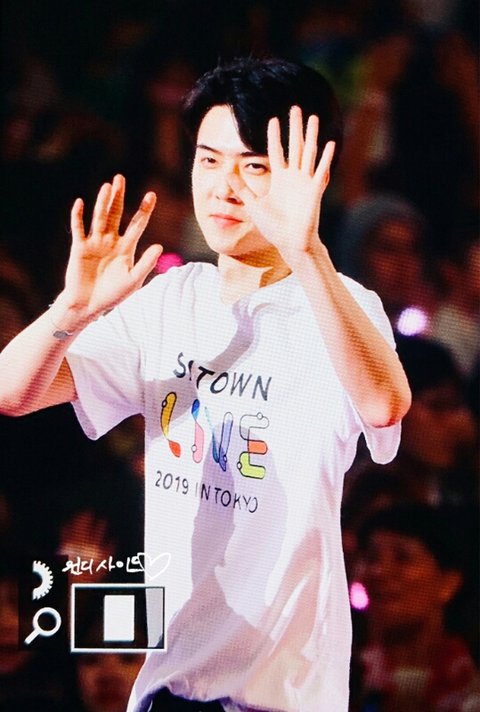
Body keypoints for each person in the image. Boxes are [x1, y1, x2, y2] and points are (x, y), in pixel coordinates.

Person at [0, 57, 411, 712]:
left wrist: (307, 251)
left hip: (284, 695)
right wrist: (70, 309)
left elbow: (384, 404)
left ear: (310, 176)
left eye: (254, 166)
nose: (225, 187)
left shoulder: (342, 305)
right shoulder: (171, 300)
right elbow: (13, 393)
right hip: (169, 687)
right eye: (209, 159)